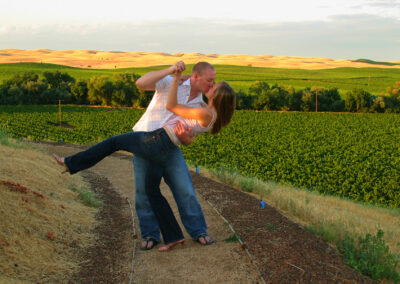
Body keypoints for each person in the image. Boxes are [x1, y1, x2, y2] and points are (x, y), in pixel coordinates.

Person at [54, 62, 232, 250]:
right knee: (144, 192)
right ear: (196, 76)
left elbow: (186, 130)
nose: (211, 84)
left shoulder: (201, 106)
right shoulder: (173, 81)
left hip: (166, 145)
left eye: (214, 84)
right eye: (210, 80)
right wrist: (172, 72)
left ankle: (197, 231)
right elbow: (140, 83)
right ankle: (153, 235)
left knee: (183, 189)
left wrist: (185, 137)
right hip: (148, 138)